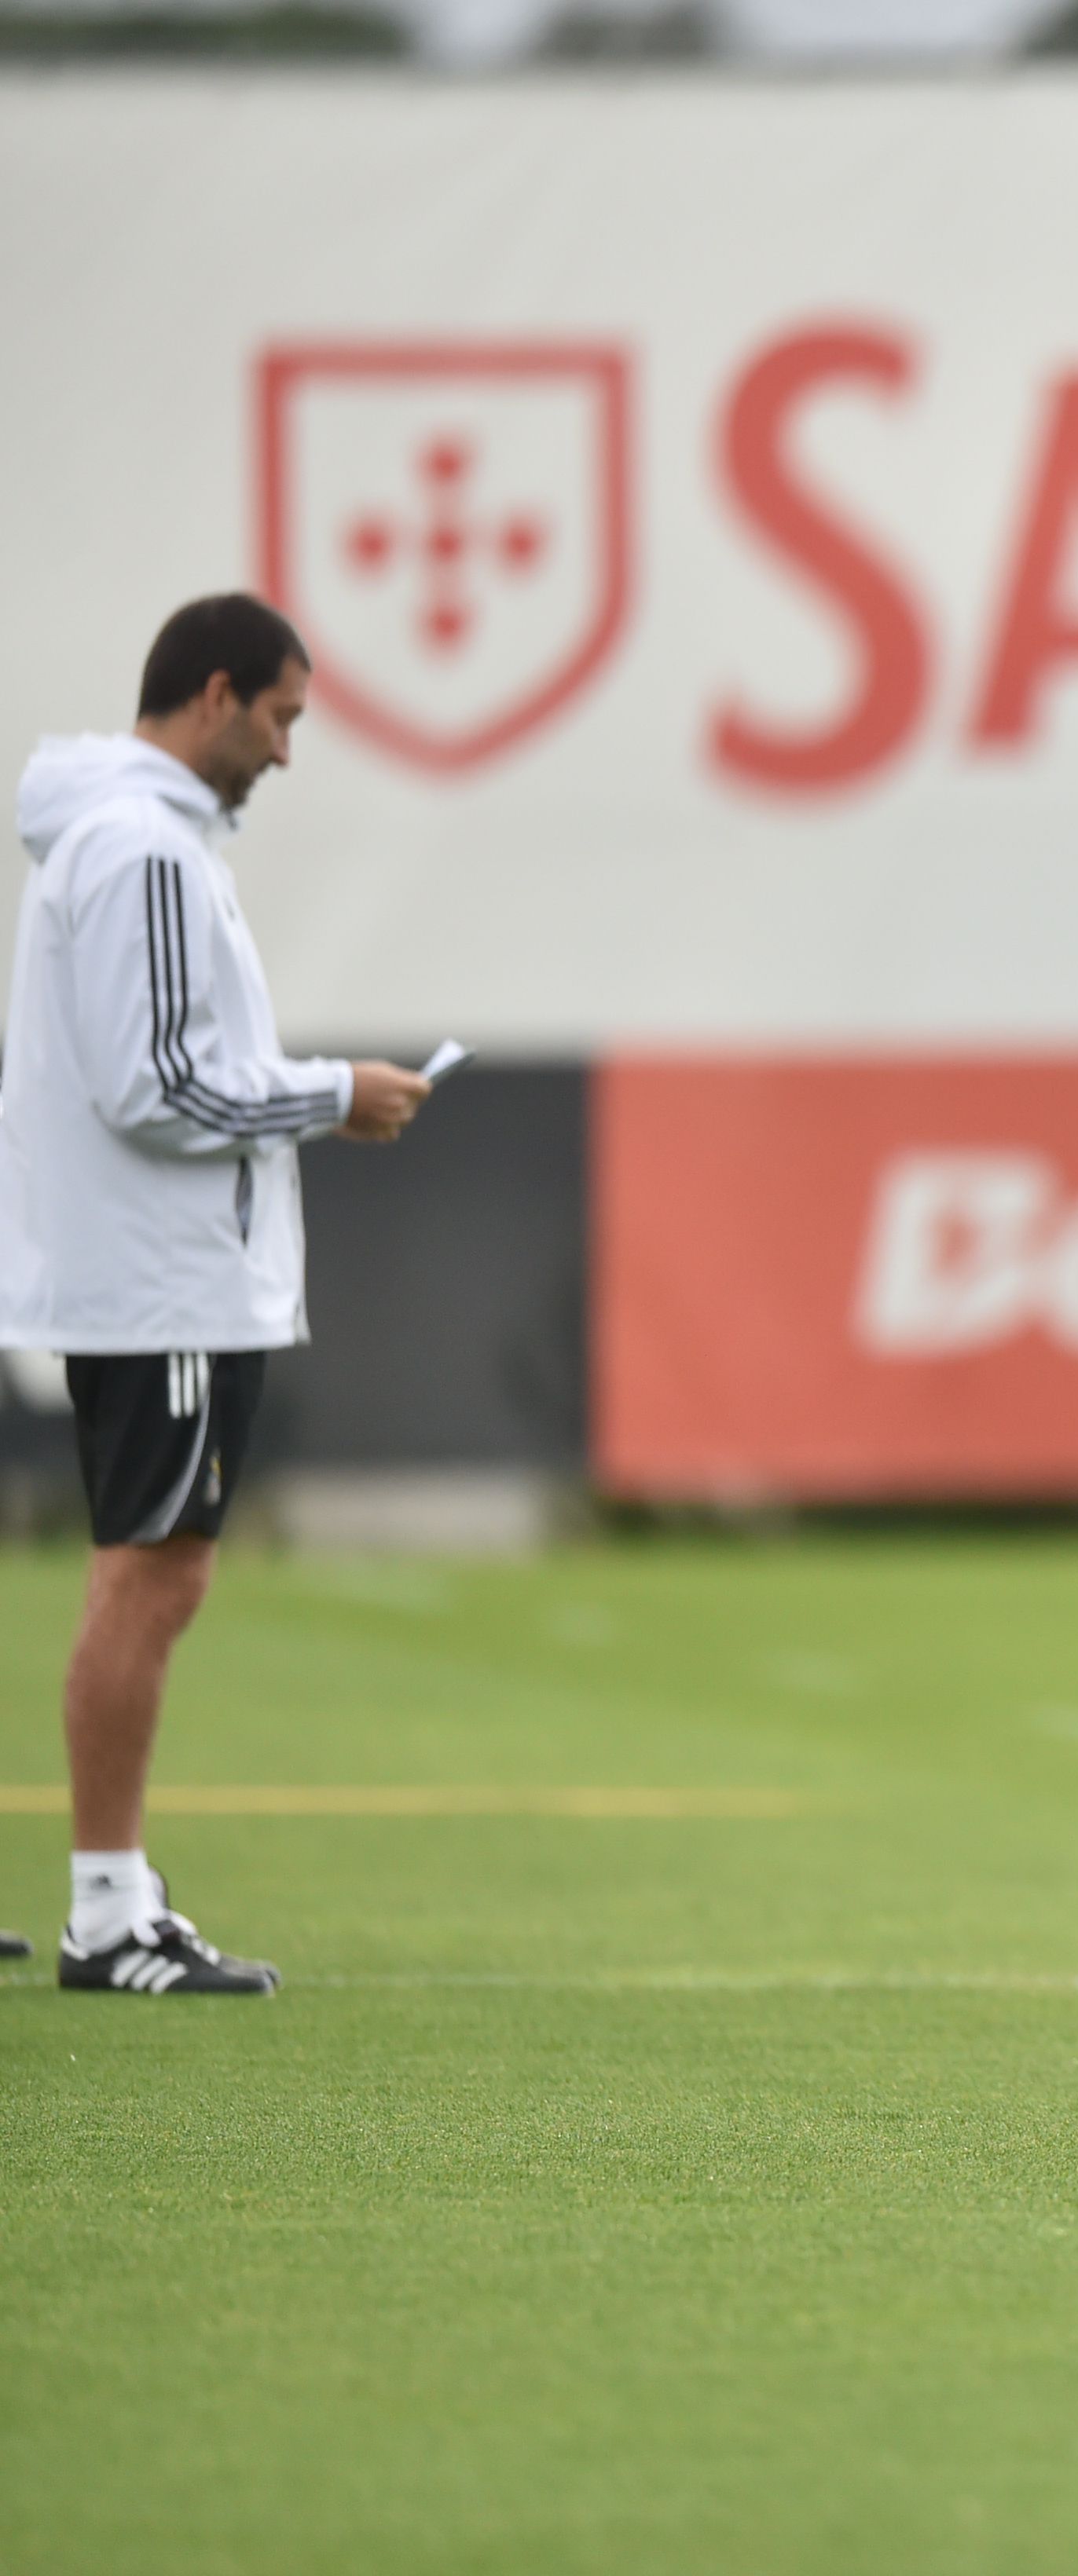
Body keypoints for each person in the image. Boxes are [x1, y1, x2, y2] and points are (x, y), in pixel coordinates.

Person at [0, 593, 433, 1994]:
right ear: (217, 691)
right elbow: (159, 1084)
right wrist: (334, 1093)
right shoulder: (142, 850)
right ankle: (111, 1914)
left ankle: (109, 1900)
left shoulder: (134, 840)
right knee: (153, 1578)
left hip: (151, 1271)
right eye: (283, 719)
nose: (288, 753)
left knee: (141, 1574)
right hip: (165, 1281)